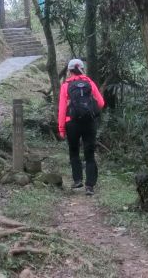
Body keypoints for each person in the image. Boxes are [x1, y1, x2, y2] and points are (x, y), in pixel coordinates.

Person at [58, 58, 105, 195]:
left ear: (69, 70)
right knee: (89, 154)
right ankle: (89, 186)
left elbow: (61, 109)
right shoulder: (89, 82)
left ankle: (77, 180)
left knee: (74, 151)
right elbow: (101, 103)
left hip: (71, 123)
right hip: (89, 123)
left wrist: (61, 128)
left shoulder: (66, 85)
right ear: (82, 68)